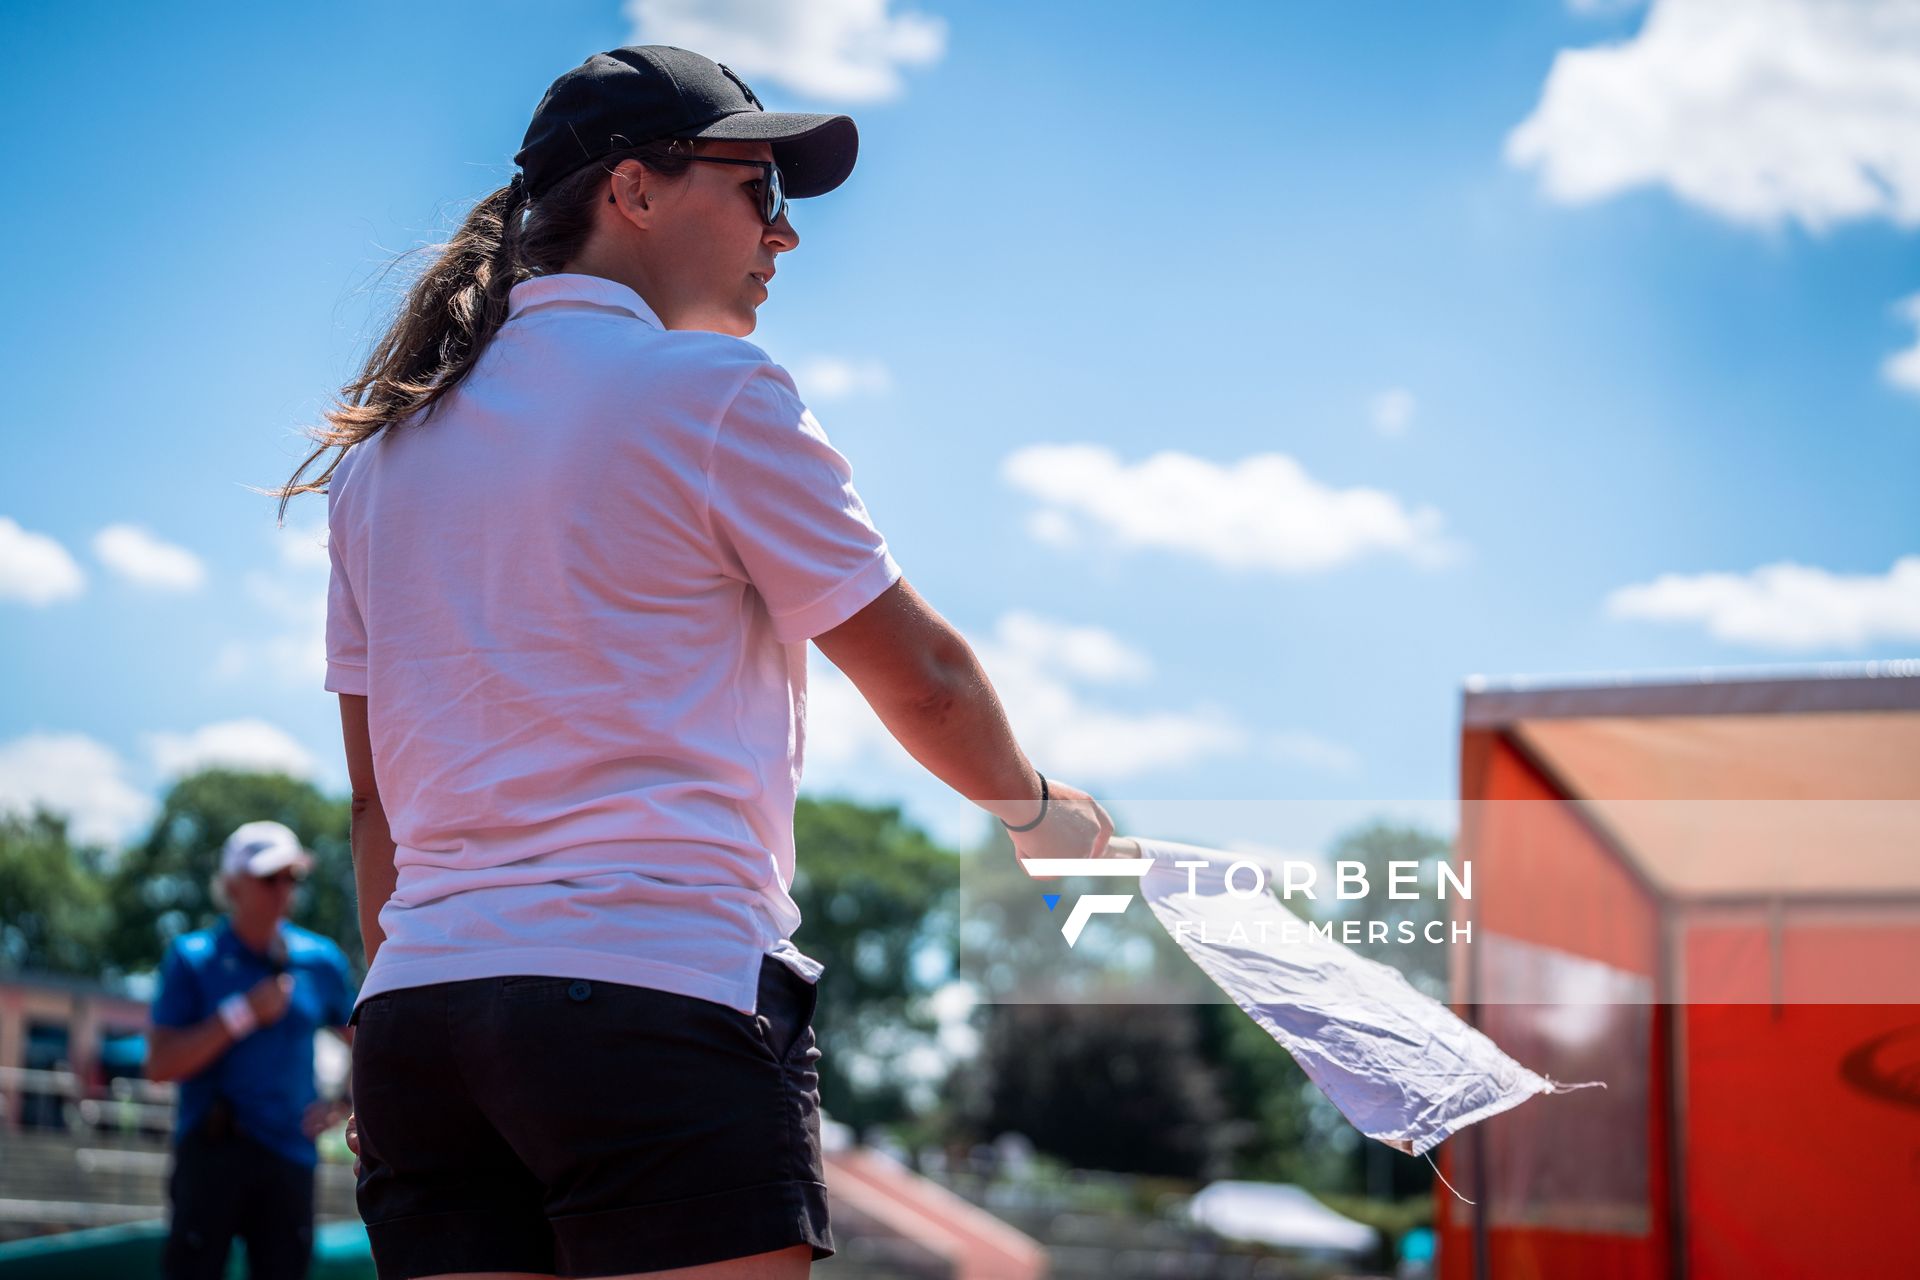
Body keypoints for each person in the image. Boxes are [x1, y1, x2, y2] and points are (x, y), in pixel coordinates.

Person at [279, 44, 1113, 1280]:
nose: (782, 235)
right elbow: (921, 675)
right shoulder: (709, 391)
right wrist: (1040, 813)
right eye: (756, 189)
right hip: (654, 998)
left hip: (421, 1026)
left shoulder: (379, 466)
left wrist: (402, 1003)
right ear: (636, 190)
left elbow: (371, 805)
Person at [146, 820, 358, 1280]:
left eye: (292, 877)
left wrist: (343, 1103)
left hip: (290, 1157)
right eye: (268, 877)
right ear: (230, 886)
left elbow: (364, 1041)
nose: (283, 889)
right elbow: (161, 1065)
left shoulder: (320, 960)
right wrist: (241, 1014)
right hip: (210, 1154)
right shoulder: (191, 957)